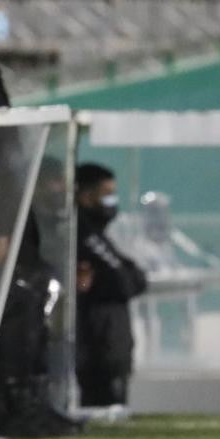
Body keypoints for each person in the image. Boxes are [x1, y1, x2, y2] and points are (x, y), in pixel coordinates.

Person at [74, 163, 146, 407]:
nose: (112, 202)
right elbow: (123, 280)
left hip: (107, 343)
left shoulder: (97, 234)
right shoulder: (83, 233)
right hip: (97, 343)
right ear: (85, 196)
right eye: (106, 194)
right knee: (101, 401)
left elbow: (133, 277)